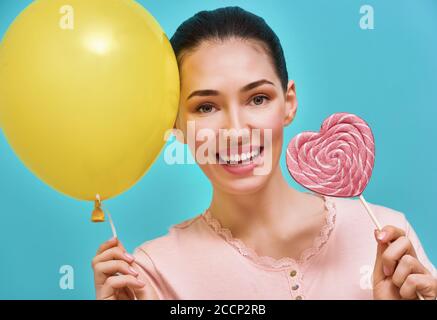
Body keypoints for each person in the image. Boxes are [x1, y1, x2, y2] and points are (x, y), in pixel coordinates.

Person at [92, 6, 437, 300]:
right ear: (177, 126)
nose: (236, 130)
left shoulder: (386, 235)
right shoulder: (153, 273)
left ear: (288, 103)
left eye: (257, 99)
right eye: (207, 107)